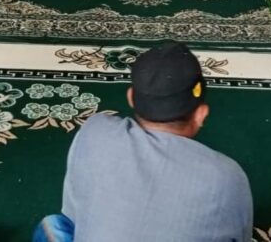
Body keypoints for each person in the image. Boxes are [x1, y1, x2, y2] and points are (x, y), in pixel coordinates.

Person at [33, 42, 252, 242]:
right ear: (201, 115)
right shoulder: (227, 176)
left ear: (131, 97)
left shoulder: (95, 130)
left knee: (54, 226)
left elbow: (76, 215)